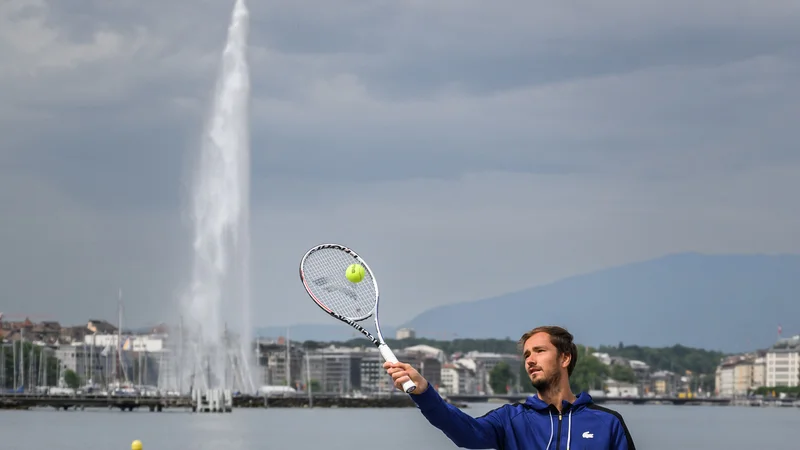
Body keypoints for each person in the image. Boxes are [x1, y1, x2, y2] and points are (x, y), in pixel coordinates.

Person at [384, 325, 636, 449]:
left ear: (565, 358)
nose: (530, 360)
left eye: (539, 351)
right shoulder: (510, 420)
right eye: (527, 355)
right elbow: (465, 433)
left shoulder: (607, 423)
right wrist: (424, 393)